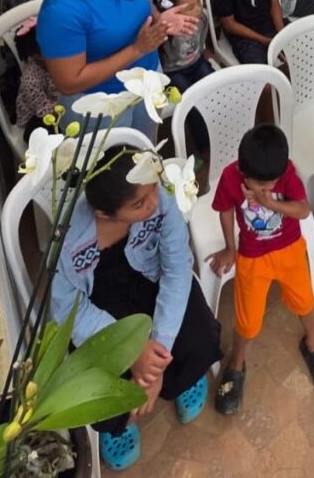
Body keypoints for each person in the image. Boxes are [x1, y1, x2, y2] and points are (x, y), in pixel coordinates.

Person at [51, 145, 221, 470]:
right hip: (99, 307)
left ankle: (183, 378)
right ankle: (119, 423)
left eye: (153, 189)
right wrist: (133, 351)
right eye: (139, 204)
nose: (154, 203)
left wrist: (155, 359)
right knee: (96, 388)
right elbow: (68, 311)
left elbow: (176, 268)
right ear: (105, 214)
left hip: (150, 279)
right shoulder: (69, 242)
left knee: (199, 338)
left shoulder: (161, 200)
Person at [205, 125, 314, 414]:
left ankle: (312, 341)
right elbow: (224, 209)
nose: (268, 188)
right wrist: (230, 248)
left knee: (305, 302)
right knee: (247, 320)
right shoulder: (230, 176)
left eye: (272, 183)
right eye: (261, 184)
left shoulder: (286, 172)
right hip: (252, 257)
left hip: (290, 250)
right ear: (243, 171)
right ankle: (237, 361)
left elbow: (303, 210)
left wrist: (267, 202)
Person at [36, 0, 196, 135]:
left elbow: (140, 0)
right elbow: (69, 82)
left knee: (146, 144)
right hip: (101, 103)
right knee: (115, 155)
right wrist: (137, 49)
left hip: (148, 81)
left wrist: (159, 19)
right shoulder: (61, 12)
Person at [157, 0, 213, 155]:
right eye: (191, 7)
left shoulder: (202, 19)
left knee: (213, 89)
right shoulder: (167, 31)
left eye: (199, 3)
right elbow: (164, 57)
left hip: (196, 62)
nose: (199, 8)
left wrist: (203, 52)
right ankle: (204, 145)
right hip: (173, 71)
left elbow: (201, 40)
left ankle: (217, 128)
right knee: (191, 101)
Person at [13, 16, 57, 137]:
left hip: (57, 106)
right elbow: (45, 111)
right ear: (35, 55)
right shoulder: (31, 80)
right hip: (36, 118)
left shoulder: (59, 62)